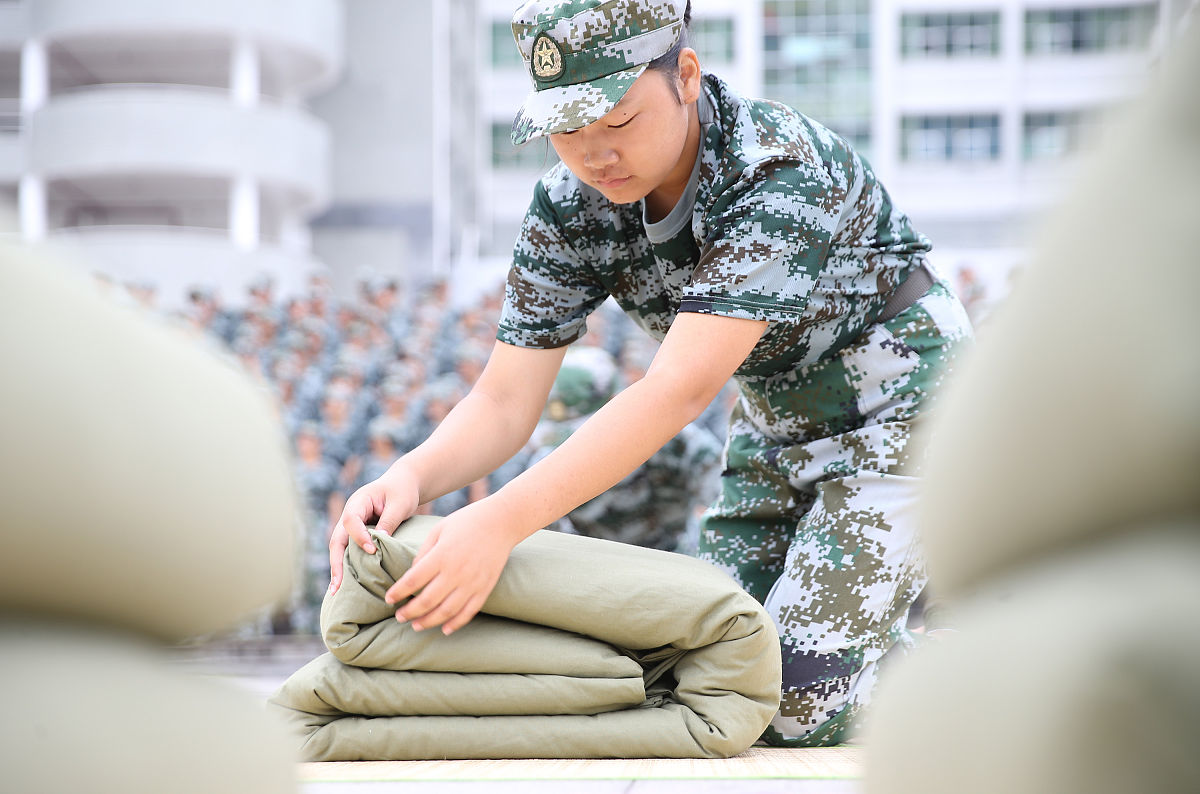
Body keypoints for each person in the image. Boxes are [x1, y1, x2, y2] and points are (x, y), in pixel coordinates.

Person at [328, 0, 972, 746]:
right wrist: (409, 478)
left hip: (903, 408)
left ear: (686, 77)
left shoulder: (776, 169)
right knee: (718, 674)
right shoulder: (572, 209)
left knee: (794, 705)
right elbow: (506, 398)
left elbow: (678, 388)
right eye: (567, 129)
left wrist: (498, 524)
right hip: (775, 421)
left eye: (619, 120)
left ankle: (992, 674)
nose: (596, 153)